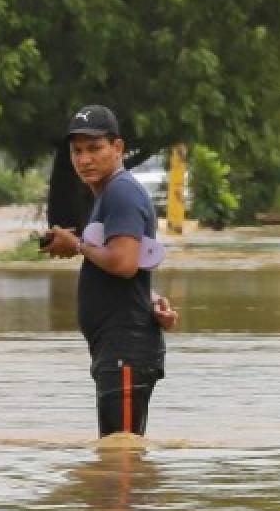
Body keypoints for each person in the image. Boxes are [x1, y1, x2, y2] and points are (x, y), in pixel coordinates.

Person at [42, 105, 178, 438]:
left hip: (125, 351)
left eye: (94, 148)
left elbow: (123, 262)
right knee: (120, 458)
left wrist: (75, 245)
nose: (84, 159)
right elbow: (131, 267)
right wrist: (151, 297)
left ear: (118, 148)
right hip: (118, 351)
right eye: (77, 151)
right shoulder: (111, 194)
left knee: (121, 465)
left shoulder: (120, 192)